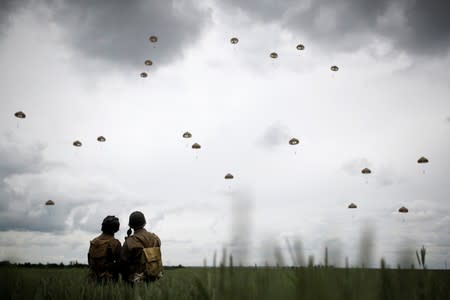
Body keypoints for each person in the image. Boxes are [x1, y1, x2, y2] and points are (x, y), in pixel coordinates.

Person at [121, 211, 163, 284]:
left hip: (136, 281)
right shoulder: (156, 238)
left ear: (131, 225)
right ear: (144, 223)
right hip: (155, 278)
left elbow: (123, 262)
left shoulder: (129, 241)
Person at [87, 216, 122, 282]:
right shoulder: (115, 243)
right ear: (116, 229)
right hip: (109, 280)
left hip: (92, 279)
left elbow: (90, 262)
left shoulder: (93, 242)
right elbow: (120, 264)